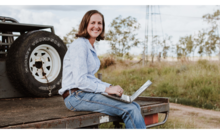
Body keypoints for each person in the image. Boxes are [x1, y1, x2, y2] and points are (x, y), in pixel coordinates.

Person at [59, 10, 146, 130]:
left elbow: (89, 78)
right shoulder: (80, 45)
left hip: (84, 93)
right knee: (130, 110)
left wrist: (110, 87)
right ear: (85, 25)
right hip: (75, 96)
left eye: (100, 23)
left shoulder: (90, 46)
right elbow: (81, 81)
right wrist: (106, 89)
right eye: (92, 23)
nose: (96, 26)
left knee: (134, 105)